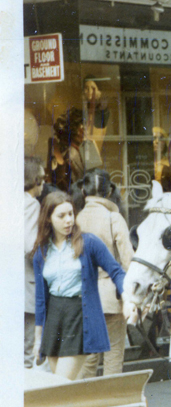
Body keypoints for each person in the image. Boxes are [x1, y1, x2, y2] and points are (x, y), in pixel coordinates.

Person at [32, 191, 126, 381]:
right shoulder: (41, 252)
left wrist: (128, 297)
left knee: (60, 383)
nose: (68, 220)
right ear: (48, 219)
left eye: (71, 214)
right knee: (62, 385)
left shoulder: (88, 242)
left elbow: (116, 271)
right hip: (53, 318)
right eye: (61, 216)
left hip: (79, 315)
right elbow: (41, 299)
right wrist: (37, 340)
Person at [75, 170, 134, 379]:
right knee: (113, 356)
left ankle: (84, 398)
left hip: (83, 296)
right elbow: (128, 260)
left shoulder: (74, 219)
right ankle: (110, 400)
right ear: (109, 192)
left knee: (88, 360)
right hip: (111, 298)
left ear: (83, 191)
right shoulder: (113, 218)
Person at [24, 157, 44, 367]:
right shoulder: (31, 204)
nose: (44, 183)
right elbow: (30, 246)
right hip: (26, 285)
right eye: (41, 178)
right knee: (27, 352)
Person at [46, 108, 86, 193]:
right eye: (82, 127)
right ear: (74, 131)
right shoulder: (72, 154)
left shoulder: (68, 151)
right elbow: (80, 182)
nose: (84, 131)